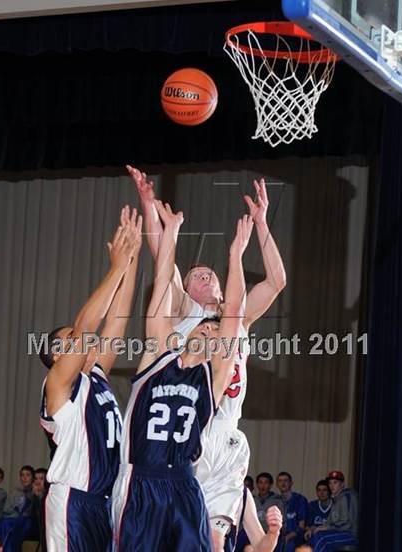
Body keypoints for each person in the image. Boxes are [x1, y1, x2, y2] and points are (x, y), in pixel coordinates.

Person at [128, 165, 286, 551]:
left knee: (213, 539)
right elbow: (161, 254)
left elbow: (277, 280)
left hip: (227, 429)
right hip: (186, 433)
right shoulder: (186, 313)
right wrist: (147, 206)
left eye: (209, 275)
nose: (204, 278)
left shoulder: (239, 316)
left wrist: (262, 223)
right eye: (196, 275)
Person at [111, 201, 253, 551]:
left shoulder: (212, 380)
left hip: (184, 481)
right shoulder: (157, 355)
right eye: (204, 328)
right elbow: (162, 282)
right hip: (141, 479)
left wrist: (236, 255)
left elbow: (234, 310)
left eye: (214, 334)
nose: (209, 332)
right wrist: (170, 233)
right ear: (188, 330)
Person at [39, 206, 142, 552]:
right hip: (73, 500)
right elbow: (86, 327)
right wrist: (115, 268)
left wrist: (132, 259)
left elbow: (118, 319)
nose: (87, 341)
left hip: (103, 502)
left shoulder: (95, 376)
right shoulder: (58, 386)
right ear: (57, 355)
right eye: (70, 340)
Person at [309, 471, 358, 552]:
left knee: (322, 539)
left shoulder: (347, 497)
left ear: (342, 484)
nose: (332, 486)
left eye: (335, 483)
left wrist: (327, 528)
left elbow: (347, 524)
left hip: (351, 534)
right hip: (341, 533)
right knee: (315, 535)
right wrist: (315, 528)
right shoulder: (336, 499)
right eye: (330, 483)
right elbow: (330, 521)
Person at [275, 472, 308, 552]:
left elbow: (302, 526)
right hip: (279, 535)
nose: (283, 483)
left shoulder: (300, 499)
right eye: (280, 481)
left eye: (286, 480)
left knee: (289, 544)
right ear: (277, 484)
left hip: (296, 536)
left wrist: (289, 536)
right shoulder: (275, 500)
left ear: (291, 483)